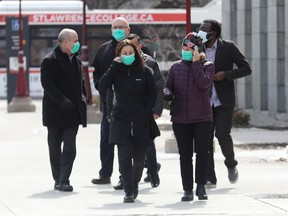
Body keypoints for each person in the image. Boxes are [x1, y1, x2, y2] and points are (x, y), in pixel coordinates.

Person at [99, 40, 156, 203]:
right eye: (124, 53)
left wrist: (147, 111)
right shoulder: (116, 71)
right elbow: (103, 85)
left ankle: (134, 183)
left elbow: (152, 94)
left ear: (136, 53)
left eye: (130, 53)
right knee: (123, 157)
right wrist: (113, 66)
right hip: (120, 119)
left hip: (140, 120)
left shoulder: (145, 71)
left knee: (139, 159)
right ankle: (128, 191)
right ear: (119, 55)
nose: (128, 56)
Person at [198, 19, 252, 188]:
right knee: (205, 140)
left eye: (203, 29)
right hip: (203, 101)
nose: (200, 31)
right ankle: (209, 177)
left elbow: (246, 68)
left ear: (213, 33)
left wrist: (225, 74)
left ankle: (231, 163)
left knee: (222, 135)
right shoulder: (196, 48)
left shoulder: (228, 47)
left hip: (223, 100)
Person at [163, 32, 214, 201]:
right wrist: (167, 93)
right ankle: (187, 189)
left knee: (202, 152)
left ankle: (201, 187)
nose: (185, 51)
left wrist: (195, 64)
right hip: (180, 118)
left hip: (202, 117)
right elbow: (168, 86)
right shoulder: (175, 67)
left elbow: (204, 84)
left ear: (198, 50)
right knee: (185, 155)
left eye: (190, 48)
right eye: (183, 48)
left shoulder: (208, 65)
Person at [40, 28, 87, 192]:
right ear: (65, 42)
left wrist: (84, 97)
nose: (77, 43)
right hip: (55, 112)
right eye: (75, 40)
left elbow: (80, 83)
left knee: (69, 147)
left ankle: (64, 179)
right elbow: (47, 85)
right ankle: (57, 178)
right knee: (54, 147)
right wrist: (62, 101)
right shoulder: (49, 61)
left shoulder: (76, 59)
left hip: (73, 112)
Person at [91, 17, 130, 185]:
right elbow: (96, 72)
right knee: (106, 139)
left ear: (128, 30)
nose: (118, 30)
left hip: (130, 104)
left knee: (127, 141)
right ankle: (105, 174)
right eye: (115, 27)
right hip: (108, 105)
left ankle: (126, 175)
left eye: (121, 27)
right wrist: (101, 86)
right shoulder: (104, 49)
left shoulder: (135, 48)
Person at [127, 33, 163, 188]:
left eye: (134, 46)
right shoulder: (120, 62)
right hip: (127, 112)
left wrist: (157, 110)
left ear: (140, 46)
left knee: (148, 144)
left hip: (145, 111)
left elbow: (158, 88)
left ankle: (153, 173)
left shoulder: (150, 63)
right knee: (127, 145)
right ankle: (126, 177)